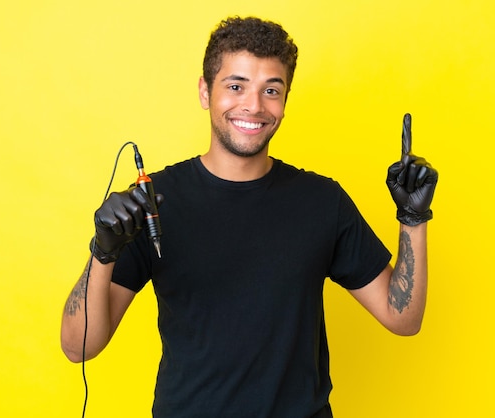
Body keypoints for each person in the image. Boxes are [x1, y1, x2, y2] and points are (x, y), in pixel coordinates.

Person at [60, 16, 438, 418]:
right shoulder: (153, 203)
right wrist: (103, 251)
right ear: (206, 91)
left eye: (271, 90)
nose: (253, 106)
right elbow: (78, 347)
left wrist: (413, 217)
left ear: (286, 100)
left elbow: (403, 318)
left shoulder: (322, 201)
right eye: (236, 86)